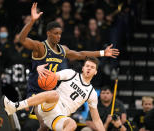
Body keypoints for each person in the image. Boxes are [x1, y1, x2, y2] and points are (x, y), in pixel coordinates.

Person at [18, 2, 119, 131]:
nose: (59, 36)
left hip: (51, 88)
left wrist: (103, 52)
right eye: (56, 33)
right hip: (37, 87)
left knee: (44, 126)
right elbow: (22, 39)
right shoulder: (40, 47)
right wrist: (32, 21)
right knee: (42, 125)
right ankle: (16, 106)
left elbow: (80, 54)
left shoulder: (62, 50)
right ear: (48, 33)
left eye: (60, 33)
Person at [4, 56, 105, 131]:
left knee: (72, 124)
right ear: (83, 68)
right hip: (49, 106)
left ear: (95, 72)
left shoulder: (92, 93)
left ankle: (44, 126)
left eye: (92, 67)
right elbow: (49, 77)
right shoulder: (70, 74)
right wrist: (40, 70)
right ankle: (15, 106)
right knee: (54, 94)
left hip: (59, 117)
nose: (89, 68)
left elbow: (96, 120)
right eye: (87, 66)